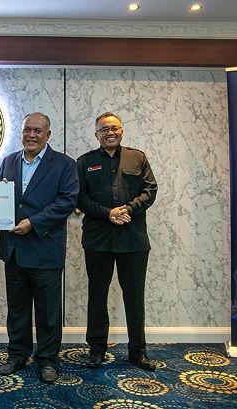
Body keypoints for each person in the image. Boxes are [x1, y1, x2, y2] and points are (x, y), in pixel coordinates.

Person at [0, 112, 78, 383]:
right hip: (14, 249)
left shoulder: (65, 164)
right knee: (17, 309)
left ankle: (48, 360)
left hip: (45, 249)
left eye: (37, 131)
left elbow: (67, 202)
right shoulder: (9, 161)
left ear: (48, 135)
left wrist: (33, 222)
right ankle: (17, 355)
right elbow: (1, 199)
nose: (31, 135)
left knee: (48, 312)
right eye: (27, 130)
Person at [76, 112, 158, 371]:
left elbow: (150, 190)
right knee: (97, 296)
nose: (109, 133)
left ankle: (138, 352)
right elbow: (79, 198)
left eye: (114, 128)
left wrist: (128, 209)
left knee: (134, 297)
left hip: (133, 240)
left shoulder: (138, 157)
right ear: (96, 134)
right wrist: (108, 213)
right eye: (104, 129)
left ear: (121, 130)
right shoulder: (85, 162)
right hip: (98, 239)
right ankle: (96, 350)